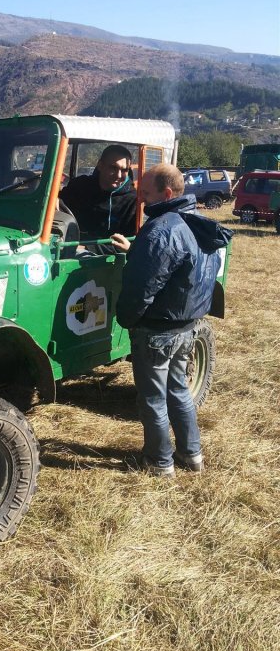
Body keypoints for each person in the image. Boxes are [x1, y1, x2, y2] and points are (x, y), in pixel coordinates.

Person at [110, 164, 233, 477]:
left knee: (152, 398)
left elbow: (142, 286)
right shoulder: (196, 223)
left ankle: (159, 461)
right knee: (178, 390)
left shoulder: (160, 230)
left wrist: (127, 319)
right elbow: (178, 267)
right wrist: (136, 249)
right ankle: (192, 455)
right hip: (186, 327)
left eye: (146, 192)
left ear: (166, 193)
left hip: (156, 331)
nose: (140, 198)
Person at [60, 145, 137, 238]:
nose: (119, 175)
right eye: (113, 168)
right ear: (100, 165)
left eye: (124, 170)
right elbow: (57, 206)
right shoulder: (79, 185)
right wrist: (56, 200)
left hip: (105, 247)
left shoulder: (133, 201)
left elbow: (128, 242)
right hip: (67, 241)